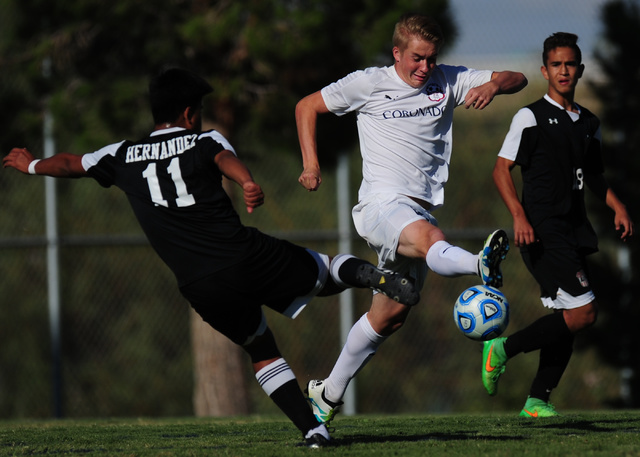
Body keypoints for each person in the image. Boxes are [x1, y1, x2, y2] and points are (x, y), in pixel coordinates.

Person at [2, 68, 421, 447]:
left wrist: (32, 164)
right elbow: (223, 158)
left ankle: (313, 431)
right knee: (326, 270)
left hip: (199, 284)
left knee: (260, 348)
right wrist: (248, 182)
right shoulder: (202, 139)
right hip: (244, 255)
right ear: (189, 113)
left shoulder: (122, 155)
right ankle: (374, 275)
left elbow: (72, 163)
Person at [295, 12, 527, 423]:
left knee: (391, 315)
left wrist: (492, 84)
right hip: (381, 206)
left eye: (432, 59)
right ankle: (479, 263)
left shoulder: (447, 80)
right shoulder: (368, 83)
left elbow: (517, 78)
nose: (425, 68)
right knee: (430, 236)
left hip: (417, 208)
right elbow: (307, 106)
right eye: (417, 58)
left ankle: (326, 395)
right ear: (397, 52)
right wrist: (311, 165)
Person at [484, 32, 634, 417]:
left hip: (574, 229)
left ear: (580, 70)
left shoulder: (589, 122)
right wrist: (519, 216)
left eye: (570, 64)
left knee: (566, 318)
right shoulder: (529, 117)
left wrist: (617, 206)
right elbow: (501, 170)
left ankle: (537, 400)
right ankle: (502, 348)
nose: (564, 71)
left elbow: (595, 175)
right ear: (545, 71)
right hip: (541, 230)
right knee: (585, 312)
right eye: (556, 65)